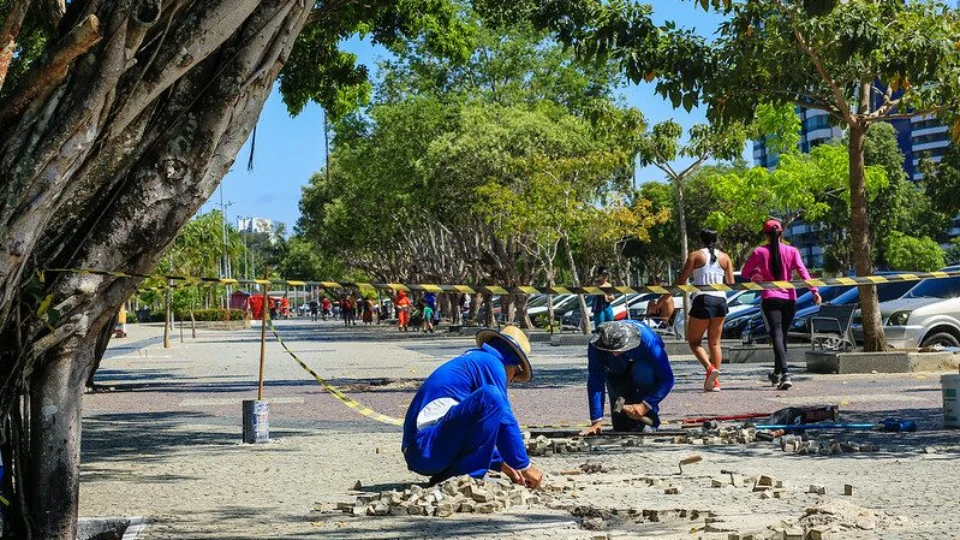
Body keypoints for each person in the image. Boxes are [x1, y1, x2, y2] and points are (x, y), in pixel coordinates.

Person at [402, 326, 543, 487]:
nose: (511, 380)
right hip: (426, 448)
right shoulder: (492, 363)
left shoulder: (476, 361)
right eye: (516, 374)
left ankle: (454, 475)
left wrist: (500, 461)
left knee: (488, 407)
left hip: (423, 450)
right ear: (512, 363)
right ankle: (468, 478)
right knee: (491, 397)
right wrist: (524, 466)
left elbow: (475, 429)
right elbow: (505, 420)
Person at [741, 219, 821, 390]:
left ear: (765, 235)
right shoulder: (792, 251)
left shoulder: (759, 252)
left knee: (777, 334)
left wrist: (756, 274)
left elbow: (745, 272)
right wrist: (814, 290)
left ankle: (785, 373)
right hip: (790, 298)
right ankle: (777, 373)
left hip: (770, 297)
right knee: (782, 335)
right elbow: (802, 271)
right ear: (781, 233)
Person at [665, 229, 735, 392]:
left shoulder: (695, 255)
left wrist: (663, 298)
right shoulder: (725, 257)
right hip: (721, 300)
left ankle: (710, 369)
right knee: (715, 343)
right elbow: (731, 282)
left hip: (703, 299)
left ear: (701, 240)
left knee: (694, 341)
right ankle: (715, 382)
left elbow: (682, 280)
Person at [580, 320, 675, 435]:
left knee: (643, 370)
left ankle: (650, 419)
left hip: (644, 366)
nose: (615, 353)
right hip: (617, 368)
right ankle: (627, 419)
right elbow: (596, 379)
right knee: (621, 426)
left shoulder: (648, 341)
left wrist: (645, 405)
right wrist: (596, 421)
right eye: (610, 350)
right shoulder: (596, 344)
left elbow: (667, 378)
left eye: (619, 349)